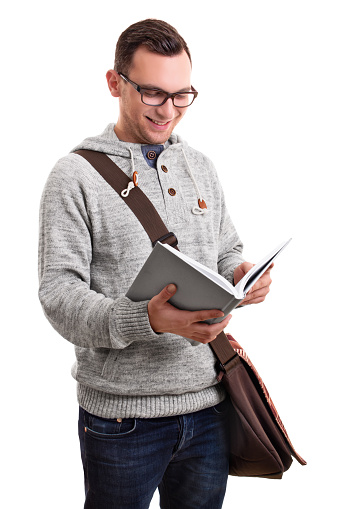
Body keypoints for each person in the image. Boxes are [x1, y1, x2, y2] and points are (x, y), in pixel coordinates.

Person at [38, 18, 273, 509]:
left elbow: (225, 248)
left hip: (209, 407)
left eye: (182, 94)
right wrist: (145, 320)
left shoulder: (200, 166)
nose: (169, 110)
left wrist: (240, 276)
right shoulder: (74, 177)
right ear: (114, 82)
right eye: (152, 93)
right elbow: (59, 297)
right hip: (122, 421)